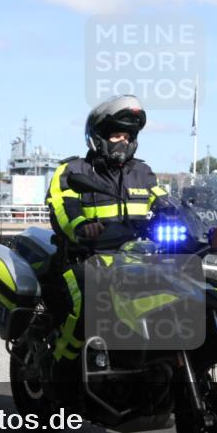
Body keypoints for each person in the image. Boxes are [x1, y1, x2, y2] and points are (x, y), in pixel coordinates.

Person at [43, 95, 172, 386]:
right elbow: (62, 205)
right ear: (97, 137)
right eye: (116, 135)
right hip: (84, 258)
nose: (122, 142)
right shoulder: (74, 171)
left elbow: (164, 201)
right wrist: (82, 226)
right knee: (85, 303)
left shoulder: (143, 173)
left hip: (134, 262)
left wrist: (190, 219)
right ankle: (60, 373)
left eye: (127, 136)